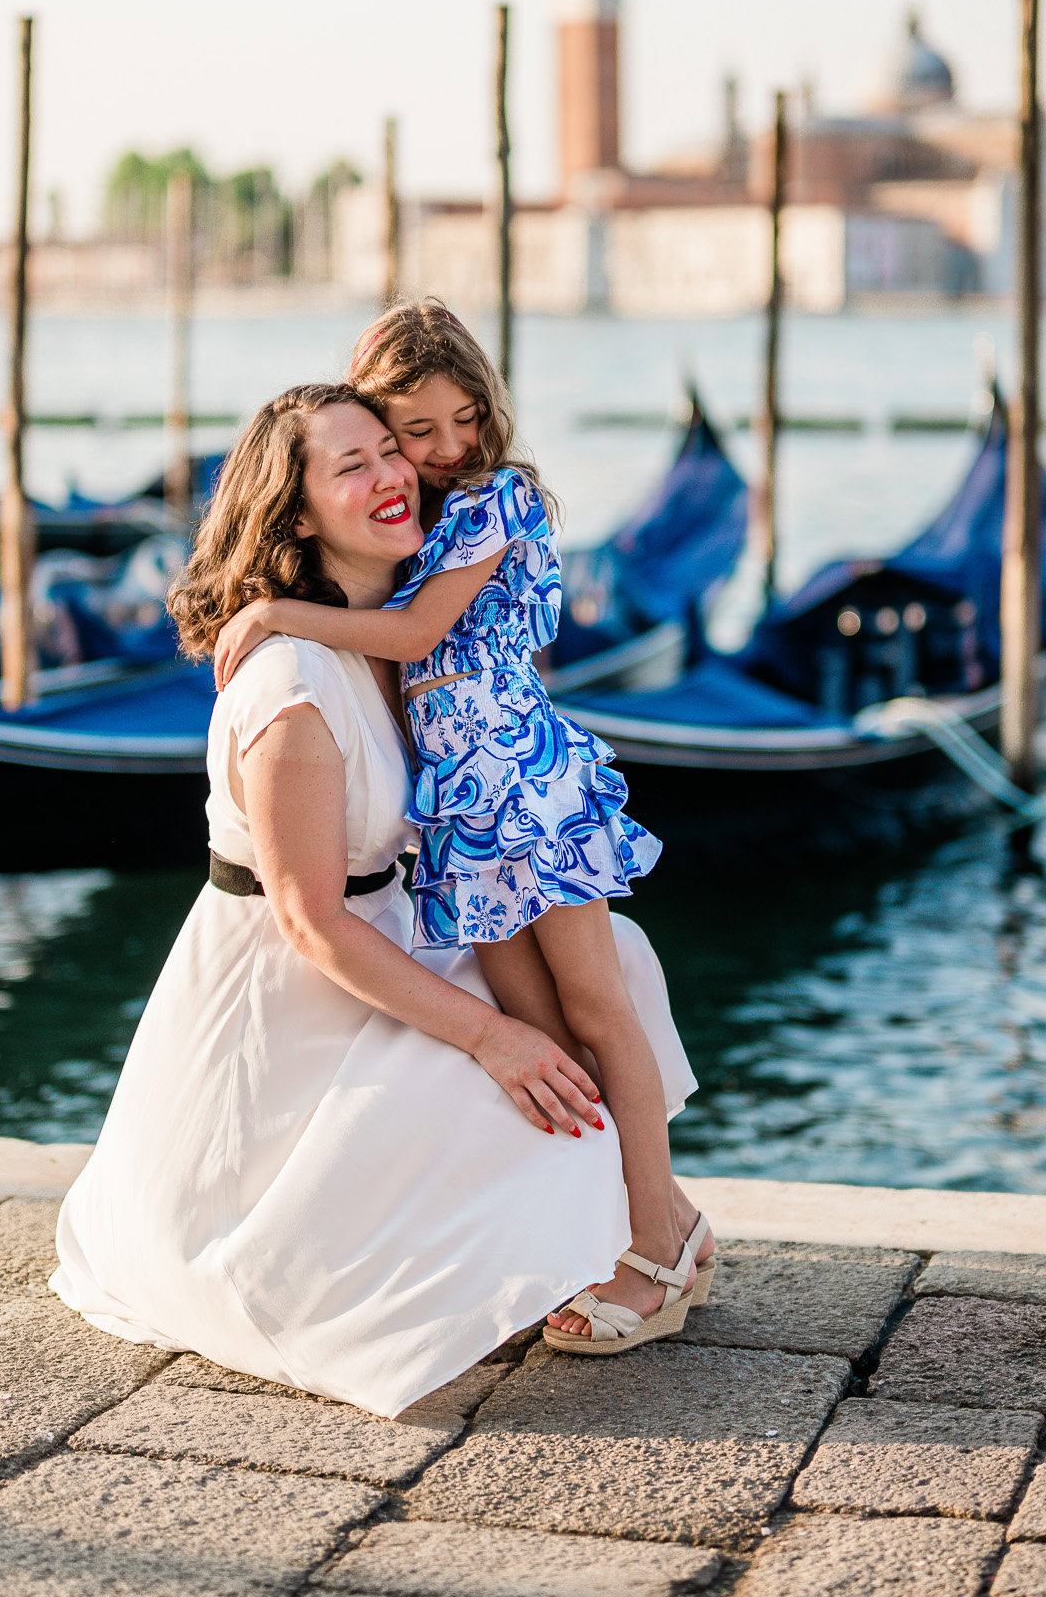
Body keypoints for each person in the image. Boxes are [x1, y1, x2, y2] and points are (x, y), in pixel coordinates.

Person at [51, 382, 696, 1416]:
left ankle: (654, 1222)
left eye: (388, 451)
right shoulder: (292, 683)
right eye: (353, 466)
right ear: (298, 511)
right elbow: (308, 921)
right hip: (287, 995)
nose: (397, 473)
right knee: (523, 1078)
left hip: (384, 931)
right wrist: (492, 1038)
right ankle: (629, 1233)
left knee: (608, 966)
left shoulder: (394, 636)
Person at [211, 305, 714, 1356]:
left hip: (518, 788)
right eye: (410, 434)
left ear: (489, 408)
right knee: (536, 1036)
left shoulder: (496, 500)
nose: (442, 449)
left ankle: (658, 1243)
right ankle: (604, 1228)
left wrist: (270, 613)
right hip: (457, 807)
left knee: (596, 1010)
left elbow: (412, 635)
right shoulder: (420, 521)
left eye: (461, 421)